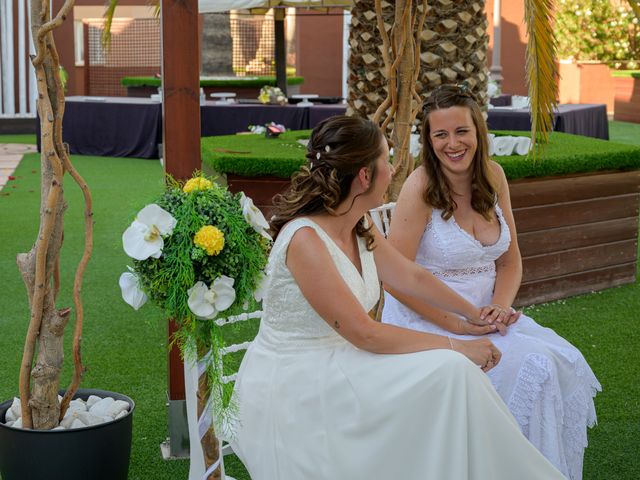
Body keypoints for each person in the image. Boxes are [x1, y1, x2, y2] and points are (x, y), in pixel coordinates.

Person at [227, 115, 564, 479]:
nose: (393, 169)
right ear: (364, 176)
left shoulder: (358, 221)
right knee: (453, 369)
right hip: (298, 385)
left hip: (344, 360)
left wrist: (474, 315)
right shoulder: (306, 240)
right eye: (386, 161)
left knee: (454, 376)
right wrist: (458, 345)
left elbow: (409, 275)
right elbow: (366, 333)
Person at [381, 85, 601, 480]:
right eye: (440, 134)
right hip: (430, 319)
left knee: (557, 363)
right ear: (429, 141)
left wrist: (500, 307)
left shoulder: (494, 176)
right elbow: (397, 280)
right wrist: (458, 326)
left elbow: (510, 259)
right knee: (532, 365)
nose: (453, 144)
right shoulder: (420, 187)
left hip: (490, 314)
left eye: (461, 131)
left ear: (478, 131)